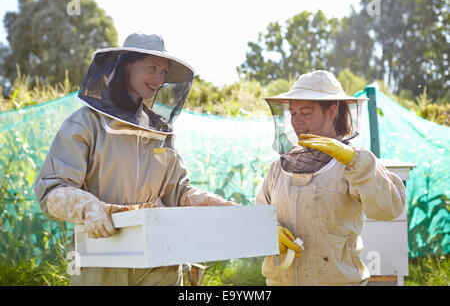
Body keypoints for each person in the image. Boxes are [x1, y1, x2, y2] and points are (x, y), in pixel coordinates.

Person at [33, 33, 235, 286]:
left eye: (163, 71)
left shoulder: (160, 130)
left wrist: (208, 203)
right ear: (126, 64)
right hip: (103, 254)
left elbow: (177, 191)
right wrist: (89, 208)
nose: (159, 79)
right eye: (152, 67)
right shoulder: (86, 123)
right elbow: (51, 190)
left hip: (160, 256)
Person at [256, 70, 406, 286]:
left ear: (332, 111)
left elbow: (388, 209)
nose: (296, 121)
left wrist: (356, 162)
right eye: (292, 113)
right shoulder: (279, 168)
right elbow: (259, 212)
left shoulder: (354, 163)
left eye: (306, 113)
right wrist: (270, 231)